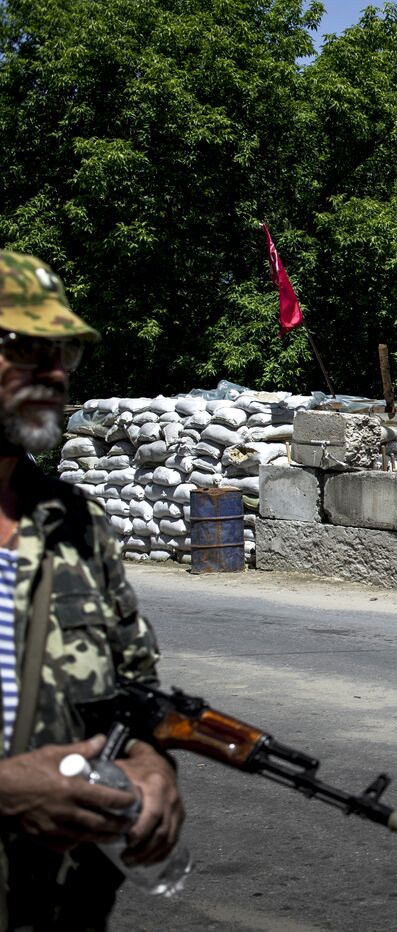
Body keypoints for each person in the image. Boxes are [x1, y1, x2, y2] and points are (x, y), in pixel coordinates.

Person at [0, 251, 184, 928]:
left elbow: (133, 695)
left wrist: (154, 765)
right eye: (25, 347)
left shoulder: (77, 522)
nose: (54, 372)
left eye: (65, 352)